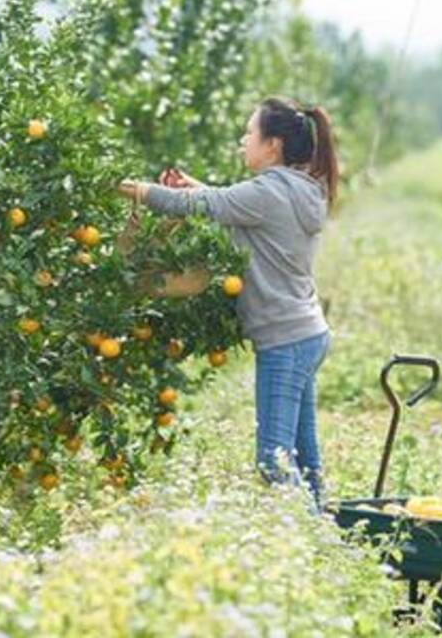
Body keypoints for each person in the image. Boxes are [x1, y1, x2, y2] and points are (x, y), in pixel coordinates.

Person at [116, 95, 338, 512]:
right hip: (308, 333)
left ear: (272, 144)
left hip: (285, 341)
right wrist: (197, 187)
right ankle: (325, 534)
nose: (243, 140)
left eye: (250, 132)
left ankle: (311, 542)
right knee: (303, 459)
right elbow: (228, 203)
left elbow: (195, 206)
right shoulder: (302, 188)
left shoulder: (266, 193)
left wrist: (125, 187)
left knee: (273, 462)